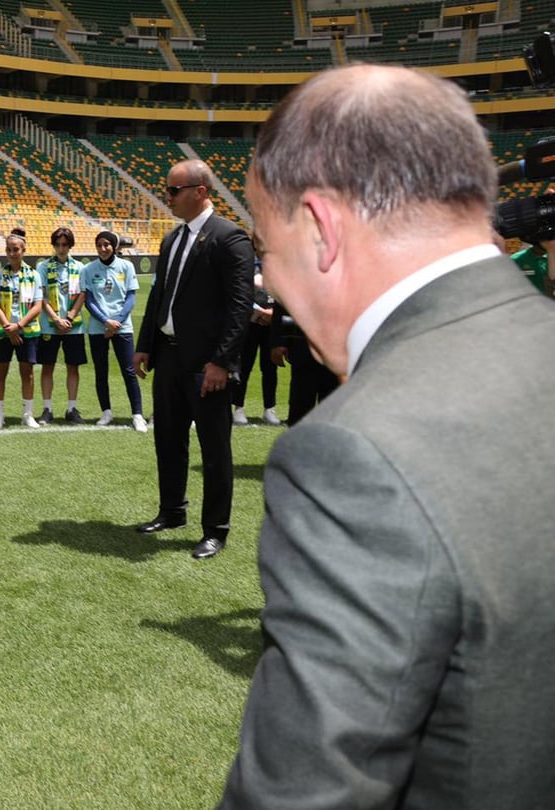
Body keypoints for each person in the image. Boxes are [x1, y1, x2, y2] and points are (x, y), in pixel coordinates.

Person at [220, 64, 555, 809]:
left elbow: (309, 790)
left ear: (320, 228)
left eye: (266, 249)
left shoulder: (351, 453)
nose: (268, 283)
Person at [132, 161, 254, 560]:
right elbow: (159, 296)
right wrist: (146, 343)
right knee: (168, 440)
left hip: (207, 364)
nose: (167, 197)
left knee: (214, 447)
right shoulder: (172, 240)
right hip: (168, 356)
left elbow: (240, 307)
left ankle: (215, 529)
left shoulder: (230, 237)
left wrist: (223, 361)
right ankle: (172, 512)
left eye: (173, 190)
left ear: (200, 191)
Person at [81, 230, 148, 432]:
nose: (102, 249)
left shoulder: (126, 266)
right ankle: (106, 412)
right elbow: (89, 300)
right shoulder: (88, 269)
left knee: (129, 371)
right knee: (101, 371)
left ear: (114, 246)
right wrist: (105, 321)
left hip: (122, 326)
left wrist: (116, 321)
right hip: (97, 327)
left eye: (106, 245)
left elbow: (130, 298)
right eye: (99, 245)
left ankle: (137, 414)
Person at [0, 229, 42, 429]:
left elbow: (37, 306)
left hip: (27, 331)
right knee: (0, 371)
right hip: (4, 331)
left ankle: (27, 414)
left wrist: (18, 326)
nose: (12, 253)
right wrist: (8, 327)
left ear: (23, 250)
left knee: (27, 372)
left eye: (16, 249)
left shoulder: (34, 275)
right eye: (9, 250)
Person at [35, 226, 87, 425]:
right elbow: (42, 296)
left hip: (74, 326)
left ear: (70, 245)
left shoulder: (80, 267)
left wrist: (70, 317)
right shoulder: (43, 266)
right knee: (47, 367)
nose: (61, 248)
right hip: (50, 326)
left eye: (64, 244)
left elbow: (83, 294)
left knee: (73, 367)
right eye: (57, 244)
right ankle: (47, 408)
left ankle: (72, 408)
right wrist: (56, 319)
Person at [268, 301, 339, 426]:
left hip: (338, 348)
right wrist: (279, 341)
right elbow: (285, 303)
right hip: (304, 346)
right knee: (300, 406)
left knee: (334, 410)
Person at [230, 258, 281, 426]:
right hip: (250, 324)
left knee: (270, 368)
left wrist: (273, 314)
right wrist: (261, 312)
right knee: (245, 367)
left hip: (270, 327)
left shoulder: (280, 265)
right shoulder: (250, 263)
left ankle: (269, 409)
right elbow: (241, 293)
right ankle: (238, 408)